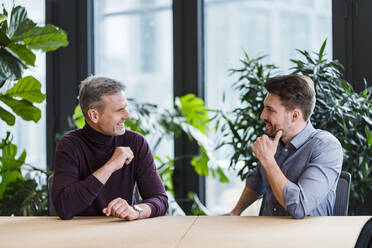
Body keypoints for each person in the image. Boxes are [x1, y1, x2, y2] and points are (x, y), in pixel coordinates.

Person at [224, 74, 343, 219]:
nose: (262, 115)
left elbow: (299, 207)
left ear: (294, 116)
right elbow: (257, 182)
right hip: (265, 234)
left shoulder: (326, 147)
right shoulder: (274, 142)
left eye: (270, 110)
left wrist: (268, 161)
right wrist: (235, 212)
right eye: (264, 107)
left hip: (306, 239)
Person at [51, 76, 168, 220]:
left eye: (126, 108)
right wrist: (110, 166)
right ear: (94, 115)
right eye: (119, 110)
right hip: (79, 236)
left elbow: (160, 200)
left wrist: (135, 211)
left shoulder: (136, 143)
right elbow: (64, 207)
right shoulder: (69, 146)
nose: (127, 115)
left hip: (125, 234)